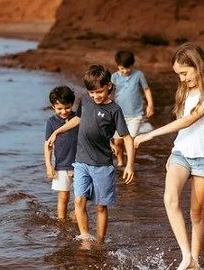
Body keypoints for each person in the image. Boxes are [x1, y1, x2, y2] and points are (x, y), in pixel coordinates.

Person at [132, 43, 204, 270]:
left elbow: (188, 121)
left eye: (185, 73)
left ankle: (194, 261)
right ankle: (186, 256)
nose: (183, 79)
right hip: (181, 153)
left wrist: (149, 134)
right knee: (170, 198)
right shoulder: (185, 91)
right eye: (179, 75)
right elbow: (182, 128)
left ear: (198, 66)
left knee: (197, 212)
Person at [50, 64, 136, 245]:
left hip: (103, 165)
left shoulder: (114, 110)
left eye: (99, 92)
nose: (95, 96)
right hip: (81, 162)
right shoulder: (85, 102)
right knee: (79, 201)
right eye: (92, 93)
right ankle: (85, 239)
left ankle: (100, 242)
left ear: (108, 87)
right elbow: (77, 119)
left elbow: (127, 138)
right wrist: (58, 132)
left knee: (100, 207)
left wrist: (129, 165)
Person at [42, 85, 78, 223]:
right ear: (53, 107)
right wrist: (49, 166)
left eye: (67, 107)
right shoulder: (51, 122)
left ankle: (77, 215)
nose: (64, 111)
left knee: (80, 196)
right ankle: (61, 222)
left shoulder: (77, 119)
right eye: (59, 108)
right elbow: (48, 145)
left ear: (72, 104)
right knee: (63, 197)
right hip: (61, 165)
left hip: (80, 164)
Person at [112, 49, 154, 145]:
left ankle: (130, 161)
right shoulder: (114, 77)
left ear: (132, 65)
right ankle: (120, 160)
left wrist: (150, 105)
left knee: (130, 142)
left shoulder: (138, 75)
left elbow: (146, 89)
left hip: (136, 115)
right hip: (119, 115)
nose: (125, 71)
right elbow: (109, 93)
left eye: (128, 68)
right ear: (117, 66)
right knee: (117, 142)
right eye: (122, 68)